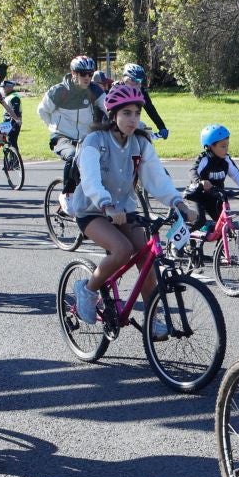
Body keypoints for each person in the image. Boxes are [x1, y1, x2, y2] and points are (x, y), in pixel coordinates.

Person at [67, 82, 183, 325]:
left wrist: (178, 203)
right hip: (92, 210)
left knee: (146, 256)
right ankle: (87, 290)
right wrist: (107, 204)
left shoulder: (140, 142)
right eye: (126, 113)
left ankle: (153, 316)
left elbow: (156, 178)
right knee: (122, 249)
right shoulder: (94, 141)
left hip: (125, 210)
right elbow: (90, 180)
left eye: (137, 113)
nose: (133, 119)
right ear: (113, 115)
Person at [41, 55, 103, 210]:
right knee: (73, 156)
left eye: (90, 73)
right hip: (61, 136)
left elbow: (109, 108)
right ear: (74, 73)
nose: (87, 77)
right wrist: (53, 127)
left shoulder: (94, 90)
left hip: (84, 137)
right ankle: (67, 193)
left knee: (103, 158)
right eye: (83, 74)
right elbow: (42, 111)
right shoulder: (59, 91)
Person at [181, 124, 239, 230]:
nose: (226, 149)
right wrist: (200, 182)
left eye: (227, 145)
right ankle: (178, 242)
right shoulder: (204, 159)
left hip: (215, 197)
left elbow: (237, 175)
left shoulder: (226, 160)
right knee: (199, 221)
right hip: (197, 196)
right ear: (209, 147)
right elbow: (192, 171)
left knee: (225, 225)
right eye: (223, 146)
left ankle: (221, 245)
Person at [120, 63, 168, 140]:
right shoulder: (116, 90)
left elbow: (150, 109)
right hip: (116, 127)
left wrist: (161, 127)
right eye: (136, 81)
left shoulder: (141, 91)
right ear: (127, 80)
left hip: (133, 123)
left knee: (145, 133)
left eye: (141, 81)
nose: (139, 84)